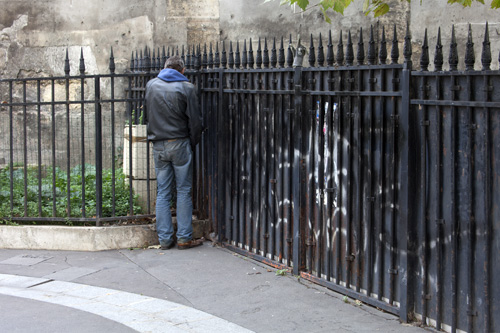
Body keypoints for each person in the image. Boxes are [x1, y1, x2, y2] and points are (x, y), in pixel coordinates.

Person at [145, 55, 203, 250]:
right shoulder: (187, 88)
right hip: (179, 142)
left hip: (158, 143)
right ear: (183, 71)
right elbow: (195, 121)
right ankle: (184, 238)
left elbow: (147, 114)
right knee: (184, 190)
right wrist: (193, 142)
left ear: (164, 67)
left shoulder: (151, 85)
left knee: (163, 192)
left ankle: (164, 239)